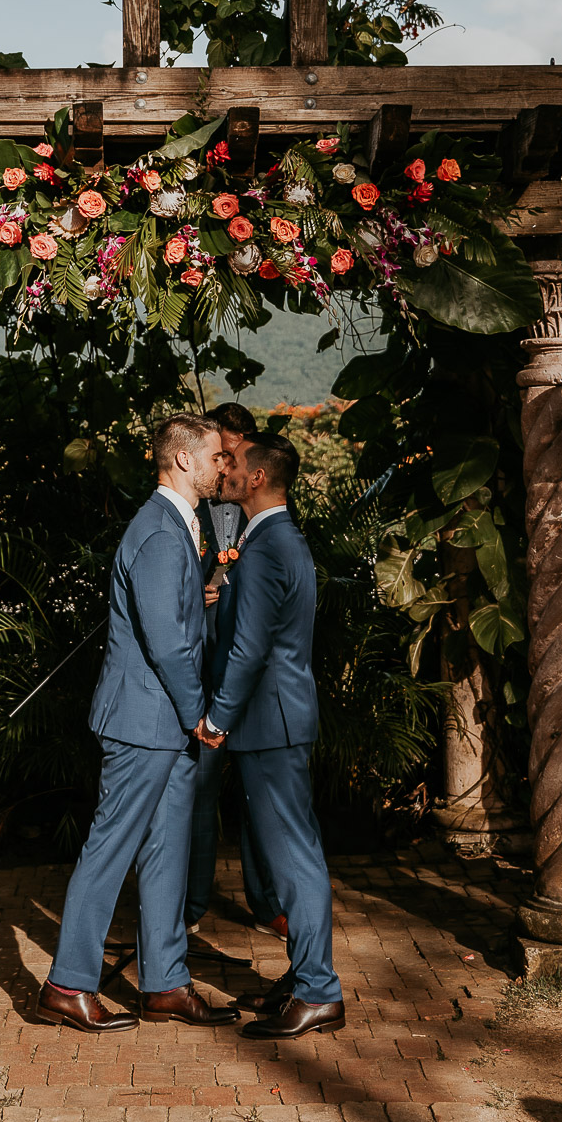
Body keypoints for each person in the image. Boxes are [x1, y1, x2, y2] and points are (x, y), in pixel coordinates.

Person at [37, 414, 238, 1032]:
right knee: (110, 851)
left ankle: (165, 985)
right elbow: (168, 644)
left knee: (166, 855)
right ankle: (67, 984)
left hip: (164, 722)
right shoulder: (156, 532)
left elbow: (173, 619)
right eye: (213, 457)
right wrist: (198, 716)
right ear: (182, 461)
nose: (222, 467)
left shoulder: (179, 527)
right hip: (146, 720)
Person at [200, 433, 344, 1038]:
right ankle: (306, 976)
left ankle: (318, 990)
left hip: (267, 719)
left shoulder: (263, 548)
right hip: (280, 717)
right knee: (295, 850)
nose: (225, 470)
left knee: (293, 857)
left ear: (256, 478)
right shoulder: (278, 540)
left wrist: (219, 717)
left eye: (233, 463)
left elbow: (253, 647)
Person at [189, 401, 286, 940]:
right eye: (220, 455)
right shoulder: (191, 504)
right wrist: (195, 593)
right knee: (200, 794)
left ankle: (266, 899)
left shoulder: (265, 513)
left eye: (233, 455)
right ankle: (192, 903)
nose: (224, 467)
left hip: (249, 675)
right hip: (202, 664)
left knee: (257, 795)